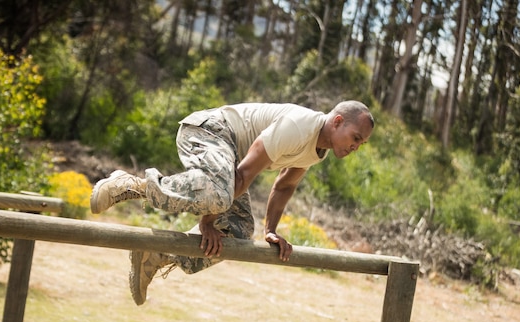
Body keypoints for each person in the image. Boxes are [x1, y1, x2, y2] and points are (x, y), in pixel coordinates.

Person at [90, 101, 375, 305]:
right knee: (221, 194)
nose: (355, 147)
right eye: (355, 138)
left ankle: (156, 255)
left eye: (361, 144)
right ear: (337, 122)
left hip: (228, 166)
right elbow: (242, 176)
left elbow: (285, 185)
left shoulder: (317, 150)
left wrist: (270, 230)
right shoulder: (299, 126)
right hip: (209, 132)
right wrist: (206, 221)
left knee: (239, 229)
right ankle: (132, 186)